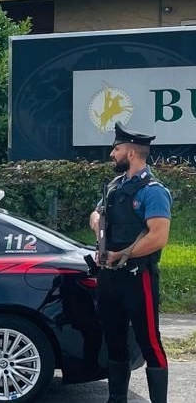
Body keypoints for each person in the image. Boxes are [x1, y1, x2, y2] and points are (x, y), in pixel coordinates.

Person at [88, 122, 170, 403]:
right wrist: (99, 227)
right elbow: (95, 215)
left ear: (132, 153)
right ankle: (116, 399)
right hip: (110, 277)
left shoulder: (153, 190)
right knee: (114, 340)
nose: (113, 153)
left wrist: (123, 254)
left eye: (117, 148)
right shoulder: (114, 186)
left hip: (138, 277)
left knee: (150, 342)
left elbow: (158, 236)